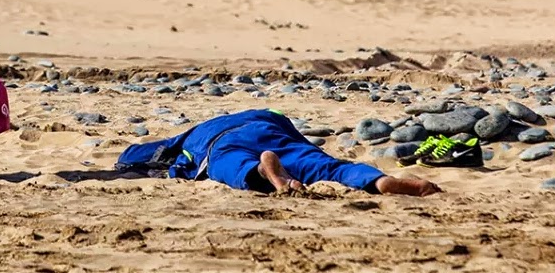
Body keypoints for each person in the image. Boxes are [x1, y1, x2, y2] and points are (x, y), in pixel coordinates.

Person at [116, 109, 442, 196]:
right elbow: (300, 140)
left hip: (223, 143)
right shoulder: (266, 113)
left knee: (234, 167)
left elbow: (136, 154)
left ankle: (265, 173)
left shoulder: (195, 133)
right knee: (328, 167)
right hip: (273, 131)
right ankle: (379, 181)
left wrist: (129, 158)